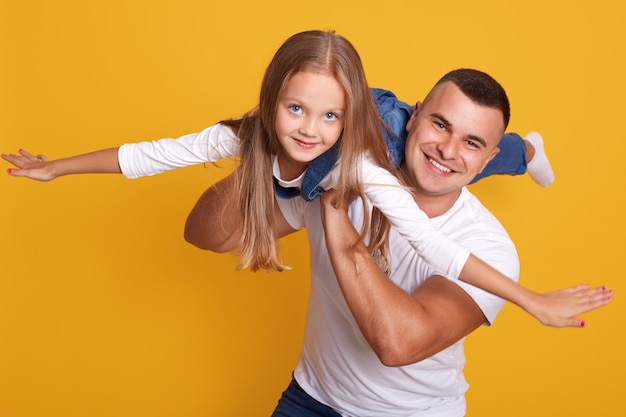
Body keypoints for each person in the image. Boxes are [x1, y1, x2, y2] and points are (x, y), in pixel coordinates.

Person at [1, 30, 602, 328]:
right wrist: (57, 167)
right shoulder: (242, 135)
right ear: (270, 102)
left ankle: (526, 153)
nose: (310, 131)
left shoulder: (365, 163)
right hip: (379, 121)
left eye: (329, 116)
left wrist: (529, 301)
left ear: (347, 117)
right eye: (295, 110)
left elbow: (431, 241)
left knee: (471, 155)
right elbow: (147, 156)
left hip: (389, 134)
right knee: (452, 146)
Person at [184, 68, 612, 416]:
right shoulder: (357, 149)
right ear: (416, 115)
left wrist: (335, 208)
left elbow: (397, 343)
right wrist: (279, 152)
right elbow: (206, 234)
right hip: (311, 399)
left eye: (472, 142)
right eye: (439, 124)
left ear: (487, 158)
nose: (447, 148)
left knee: (464, 159)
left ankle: (526, 153)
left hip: (412, 413)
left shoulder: (489, 246)